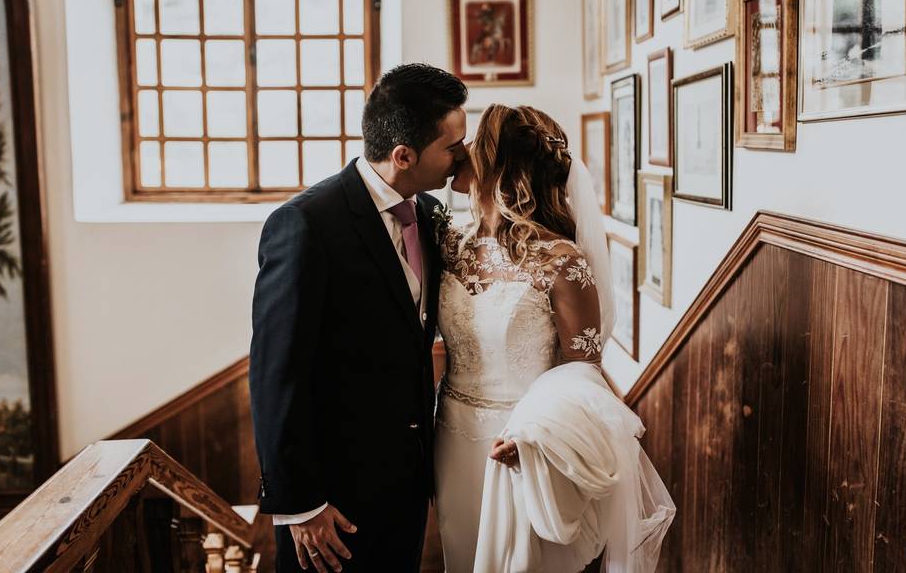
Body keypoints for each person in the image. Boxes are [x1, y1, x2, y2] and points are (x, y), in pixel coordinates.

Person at [434, 104, 673, 572]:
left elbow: (583, 372)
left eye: (474, 146)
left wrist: (535, 437)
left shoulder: (560, 259)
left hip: (525, 446)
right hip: (452, 437)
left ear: (501, 167)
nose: (461, 153)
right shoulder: (450, 243)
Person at [249, 63, 467, 573]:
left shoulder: (431, 211)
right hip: (330, 500)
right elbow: (276, 374)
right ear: (404, 155)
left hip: (408, 483)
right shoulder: (305, 225)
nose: (463, 156)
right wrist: (299, 502)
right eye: (452, 147)